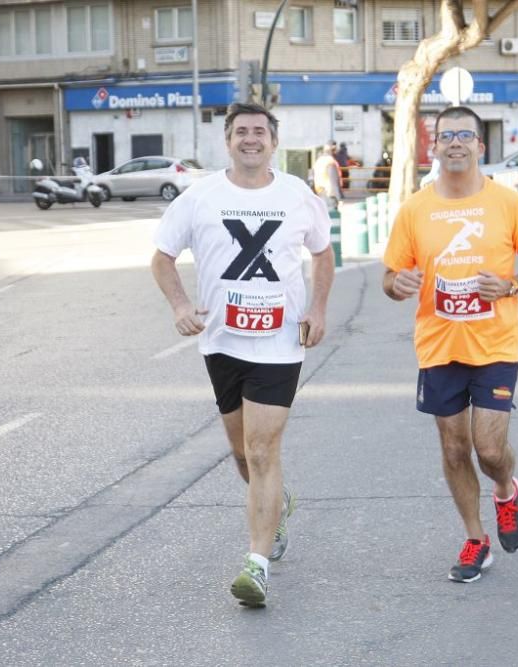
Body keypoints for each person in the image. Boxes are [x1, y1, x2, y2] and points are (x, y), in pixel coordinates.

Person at [151, 102, 335, 608]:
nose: (250, 139)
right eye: (241, 132)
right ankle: (276, 504)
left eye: (259, 131)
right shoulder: (201, 196)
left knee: (260, 451)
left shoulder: (297, 195)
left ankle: (256, 565)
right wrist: (181, 305)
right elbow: (162, 256)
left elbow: (323, 252)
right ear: (227, 141)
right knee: (242, 456)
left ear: (274, 143)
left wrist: (317, 307)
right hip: (222, 341)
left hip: (280, 342)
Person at [382, 106, 518, 583]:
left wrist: (511, 286)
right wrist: (397, 284)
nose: (454, 143)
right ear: (433, 147)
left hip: (496, 344)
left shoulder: (507, 203)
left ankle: (505, 491)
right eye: (445, 136)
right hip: (439, 346)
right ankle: (475, 539)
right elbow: (391, 275)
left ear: (481, 146)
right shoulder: (416, 208)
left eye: (464, 135)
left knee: (489, 450)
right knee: (455, 448)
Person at [313, 142, 343, 209]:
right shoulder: (330, 161)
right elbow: (333, 181)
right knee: (332, 214)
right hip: (329, 192)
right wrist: (337, 197)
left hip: (319, 190)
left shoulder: (319, 161)